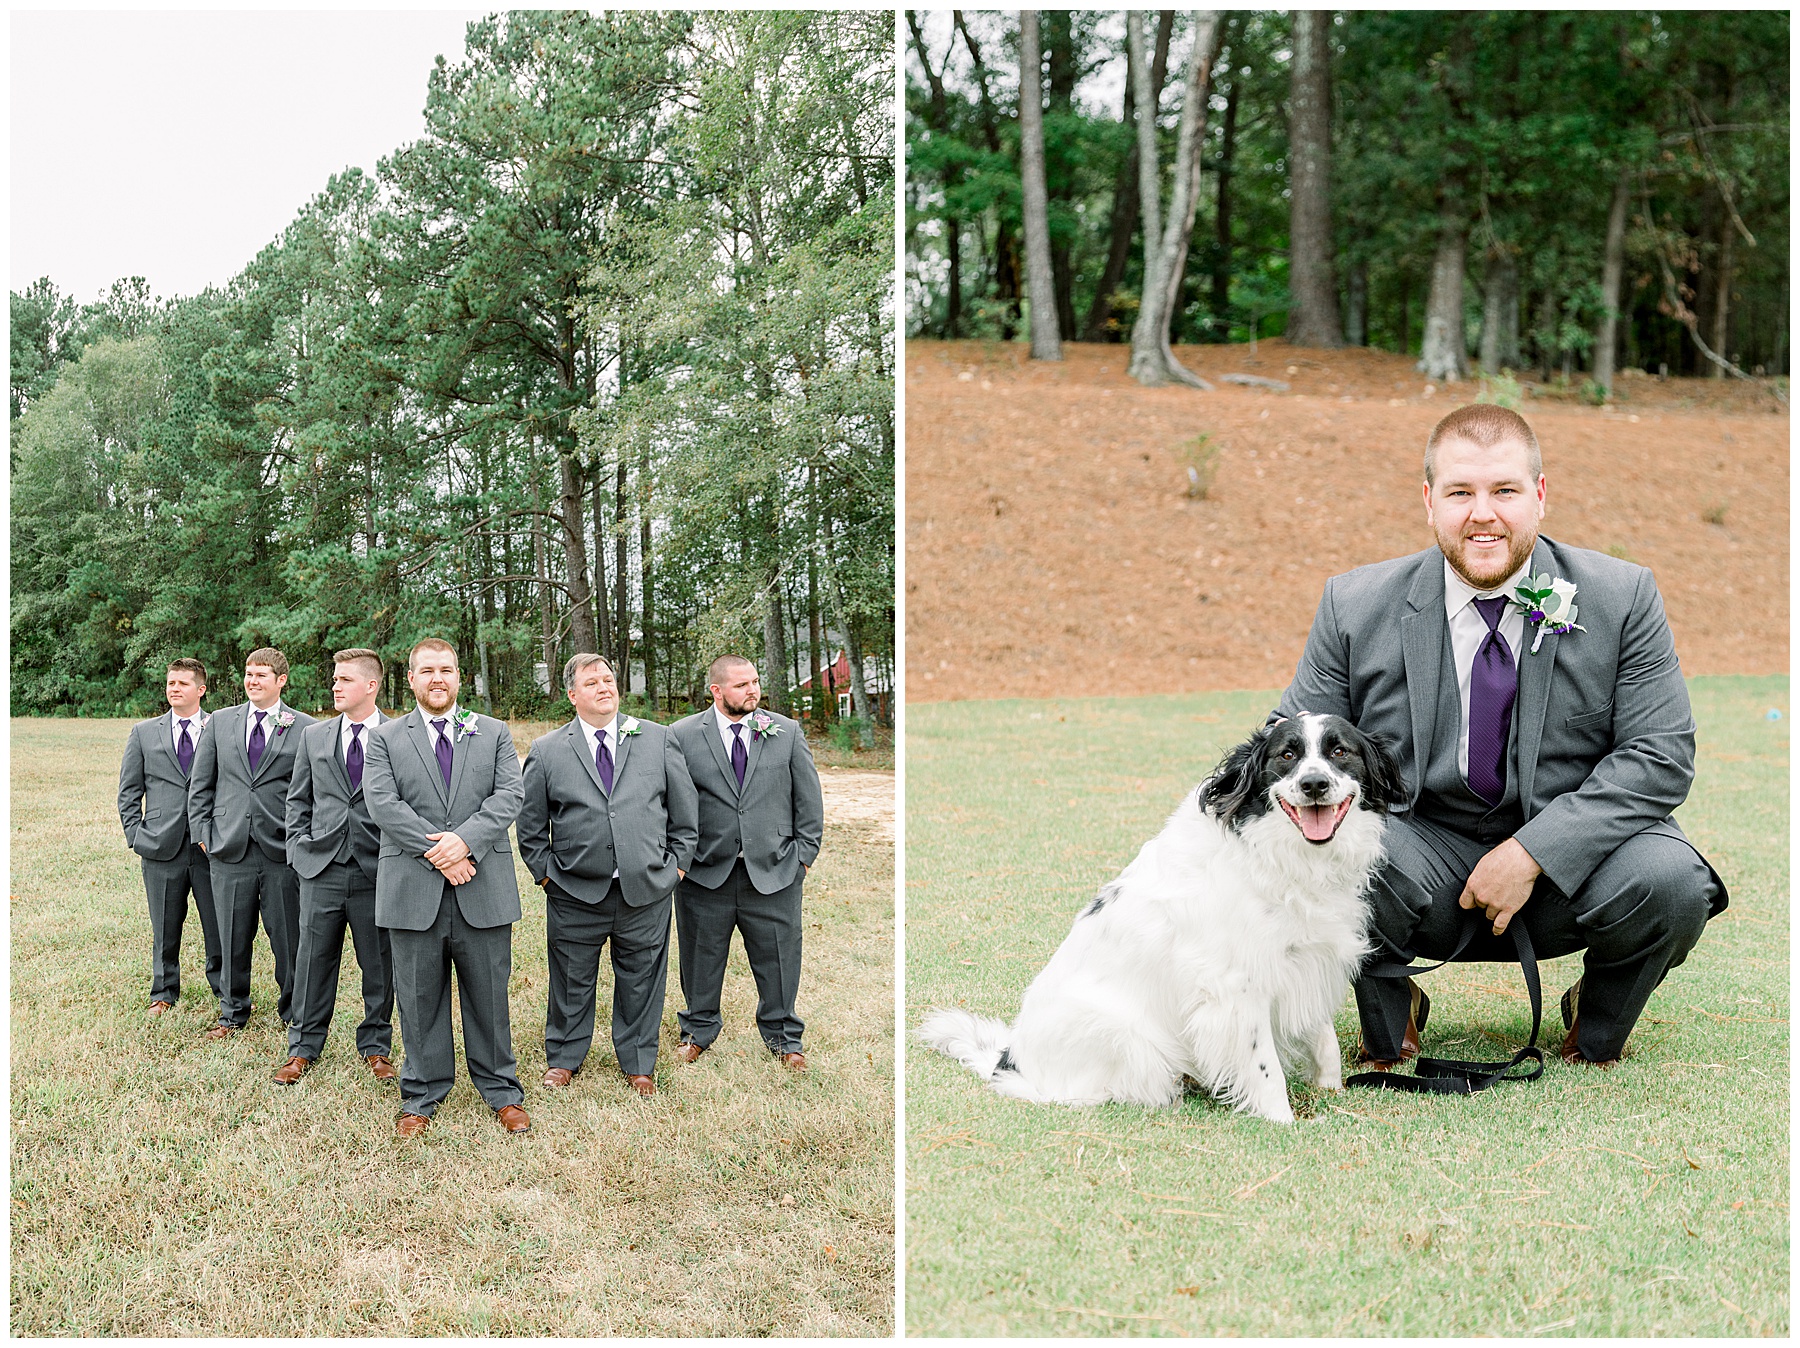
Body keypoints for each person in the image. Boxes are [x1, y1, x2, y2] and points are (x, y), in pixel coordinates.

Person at [1275, 402, 1726, 1070]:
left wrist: (1534, 851)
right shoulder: (1354, 604)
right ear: (1429, 501)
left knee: (1671, 880)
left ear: (1540, 496)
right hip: (1416, 854)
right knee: (1334, 843)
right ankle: (1390, 1019)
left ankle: (1595, 1024)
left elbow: (1660, 756)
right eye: (1460, 492)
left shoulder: (1621, 597)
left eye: (1505, 491)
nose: (1482, 514)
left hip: (1568, 869)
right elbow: (1289, 744)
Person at [362, 638, 529, 1136]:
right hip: (413, 888)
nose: (439, 678)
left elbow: (509, 795)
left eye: (447, 670)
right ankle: (421, 1093)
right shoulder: (386, 739)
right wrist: (440, 852)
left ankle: (501, 1089)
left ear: (460, 678)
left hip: (482, 885)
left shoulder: (494, 732)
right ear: (410, 679)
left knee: (490, 997)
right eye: (428, 670)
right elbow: (383, 804)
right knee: (417, 998)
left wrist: (466, 843)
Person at [517, 654, 699, 1097]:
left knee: (642, 977)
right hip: (575, 890)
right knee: (570, 979)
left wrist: (675, 866)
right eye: (592, 682)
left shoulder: (657, 739)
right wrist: (547, 877)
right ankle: (563, 1057)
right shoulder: (547, 750)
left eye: (609, 678)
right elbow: (530, 826)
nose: (604, 687)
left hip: (646, 888)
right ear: (572, 695)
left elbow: (685, 811)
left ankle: (638, 1062)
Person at [669, 656, 824, 1070]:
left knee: (779, 958)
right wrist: (678, 861)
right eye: (741, 685)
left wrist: (803, 858)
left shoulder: (786, 731)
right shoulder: (681, 735)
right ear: (717, 691)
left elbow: (808, 800)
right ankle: (697, 1032)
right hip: (704, 872)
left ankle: (785, 1039)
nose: (752, 690)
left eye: (755, 682)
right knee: (700, 958)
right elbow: (668, 801)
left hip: (774, 872)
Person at [274, 649, 396, 1085]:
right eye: (334, 679)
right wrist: (298, 848)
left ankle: (376, 1046)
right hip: (321, 867)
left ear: (371, 686)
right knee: (312, 960)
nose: (335, 686)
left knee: (379, 963)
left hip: (377, 869)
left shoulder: (398, 735)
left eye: (345, 679)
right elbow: (298, 799)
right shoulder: (315, 736)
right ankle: (304, 1046)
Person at [187, 648, 316, 1038]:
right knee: (230, 936)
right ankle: (231, 1012)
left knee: (289, 938)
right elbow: (200, 783)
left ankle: (294, 1012)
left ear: (281, 681)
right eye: (248, 673)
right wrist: (203, 834)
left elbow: (310, 793)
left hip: (281, 851)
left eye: (262, 675)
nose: (252, 680)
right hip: (228, 849)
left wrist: (299, 842)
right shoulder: (220, 722)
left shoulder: (305, 728)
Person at [117, 657, 224, 1017]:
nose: (174, 688)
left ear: (201, 689)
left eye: (182, 683)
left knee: (218, 924)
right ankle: (163, 992)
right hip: (161, 846)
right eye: (170, 683)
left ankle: (225, 989)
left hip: (210, 846)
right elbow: (129, 792)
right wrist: (136, 835)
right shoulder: (144, 732)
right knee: (164, 925)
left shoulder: (219, 727)